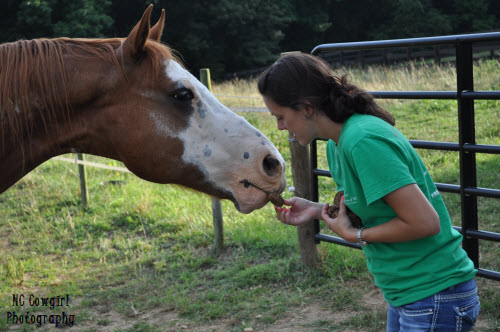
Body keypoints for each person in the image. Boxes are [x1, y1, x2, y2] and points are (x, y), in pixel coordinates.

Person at [258, 53, 479, 332]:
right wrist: (316, 209)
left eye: (281, 116)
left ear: (306, 108)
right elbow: (374, 209)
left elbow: (425, 222)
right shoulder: (336, 145)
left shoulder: (361, 141)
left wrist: (355, 235)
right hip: (409, 294)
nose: (280, 127)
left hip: (433, 294)